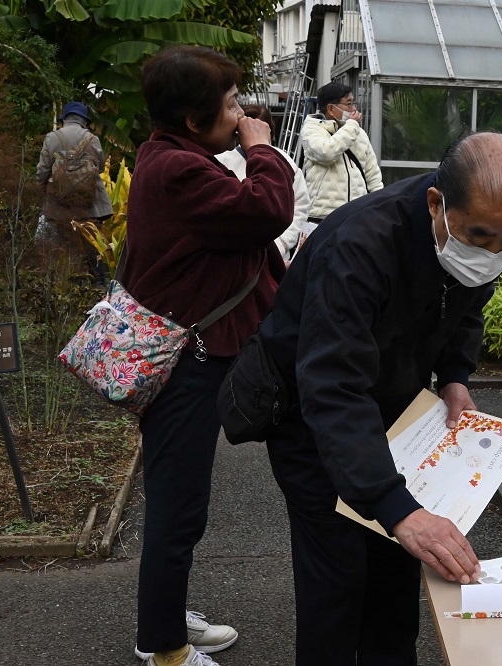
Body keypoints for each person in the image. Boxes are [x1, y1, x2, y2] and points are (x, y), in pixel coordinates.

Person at [259, 131, 502, 665]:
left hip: (398, 423)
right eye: (480, 237)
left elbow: (464, 304)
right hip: (312, 421)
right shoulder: (360, 245)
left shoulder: (475, 235)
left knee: (394, 581)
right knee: (338, 582)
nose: (491, 255)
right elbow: (333, 386)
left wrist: (456, 377)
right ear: (436, 203)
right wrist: (398, 507)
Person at [121, 46, 295, 666]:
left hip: (203, 350)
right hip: (186, 363)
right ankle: (162, 644)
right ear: (195, 119)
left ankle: (166, 615)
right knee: (177, 504)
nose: (241, 112)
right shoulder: (179, 170)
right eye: (229, 103)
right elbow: (268, 209)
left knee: (181, 502)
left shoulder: (176, 157)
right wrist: (261, 149)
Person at [215, 104, 311, 261]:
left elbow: (300, 206)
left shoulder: (285, 162)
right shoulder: (222, 160)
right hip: (236, 259)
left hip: (277, 257)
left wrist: (280, 244)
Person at [36, 100, 114, 284]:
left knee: (67, 241)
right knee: (92, 242)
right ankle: (100, 282)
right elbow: (101, 167)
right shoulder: (92, 139)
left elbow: (42, 170)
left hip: (61, 201)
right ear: (84, 121)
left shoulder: (52, 138)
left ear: (64, 119)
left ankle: (72, 282)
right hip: (90, 202)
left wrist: (42, 188)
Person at [301, 81, 383, 222]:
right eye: (349, 103)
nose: (354, 109)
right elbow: (327, 153)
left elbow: (373, 175)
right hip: (322, 216)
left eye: (353, 103)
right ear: (331, 109)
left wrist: (381, 206)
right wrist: (352, 125)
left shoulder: (359, 133)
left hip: (356, 215)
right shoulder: (311, 130)